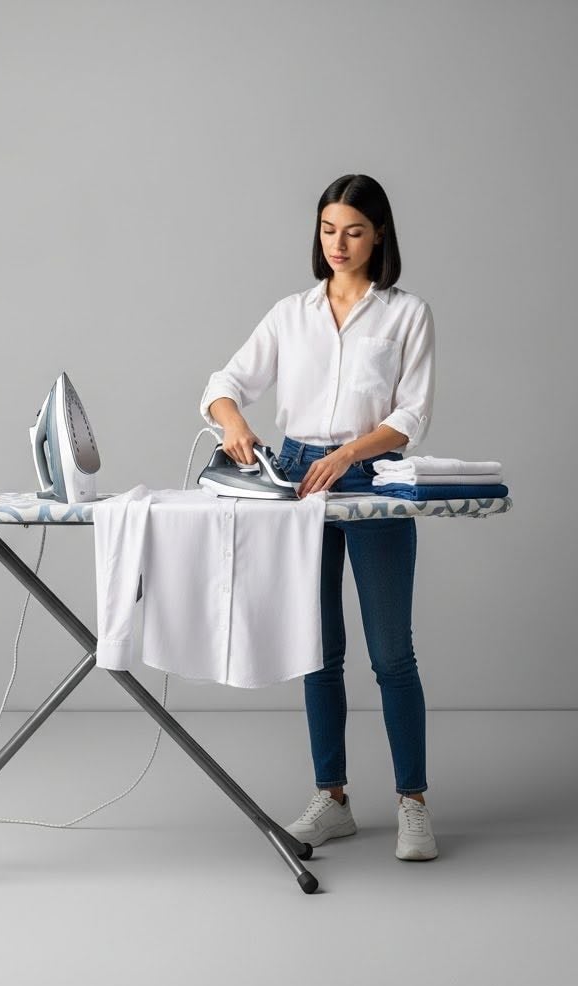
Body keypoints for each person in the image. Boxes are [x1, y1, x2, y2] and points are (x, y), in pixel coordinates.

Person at [199, 173, 438, 861]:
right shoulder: (289, 314)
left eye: (354, 231)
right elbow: (224, 383)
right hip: (297, 476)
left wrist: (351, 454)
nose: (339, 243)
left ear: (380, 234)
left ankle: (413, 803)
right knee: (318, 649)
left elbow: (411, 414)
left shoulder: (406, 314)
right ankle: (331, 798)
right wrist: (234, 423)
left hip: (371, 475)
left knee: (392, 652)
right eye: (329, 229)